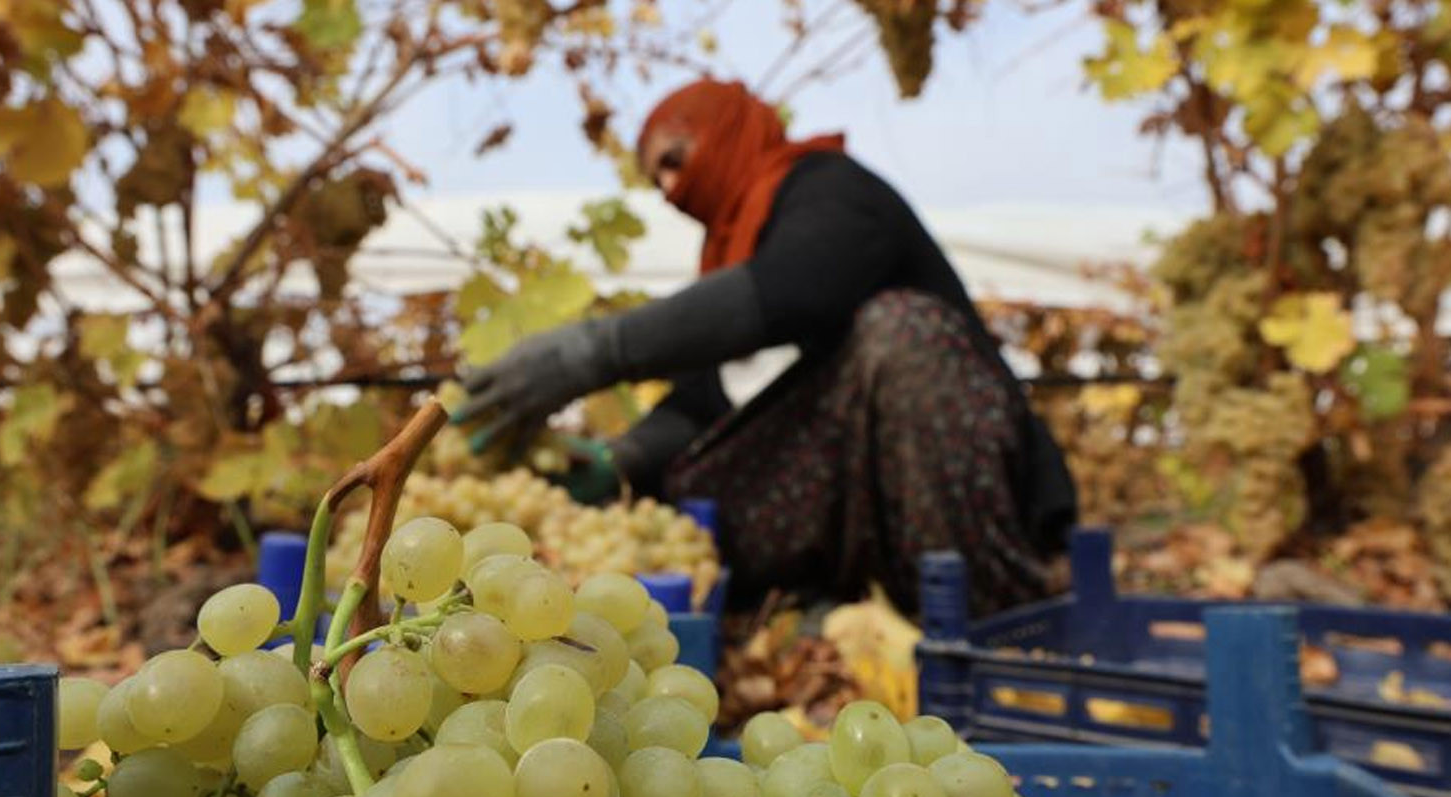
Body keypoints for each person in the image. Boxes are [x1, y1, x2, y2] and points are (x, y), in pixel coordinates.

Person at [457, 78, 1076, 618]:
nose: (670, 190)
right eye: (656, 180)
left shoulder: (835, 192)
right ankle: (817, 601)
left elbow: (798, 288)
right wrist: (620, 459)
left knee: (900, 331)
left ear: (725, 129)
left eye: (674, 159)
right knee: (693, 466)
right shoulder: (733, 256)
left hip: (962, 512)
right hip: (859, 528)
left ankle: (989, 610)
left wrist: (595, 350)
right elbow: (709, 400)